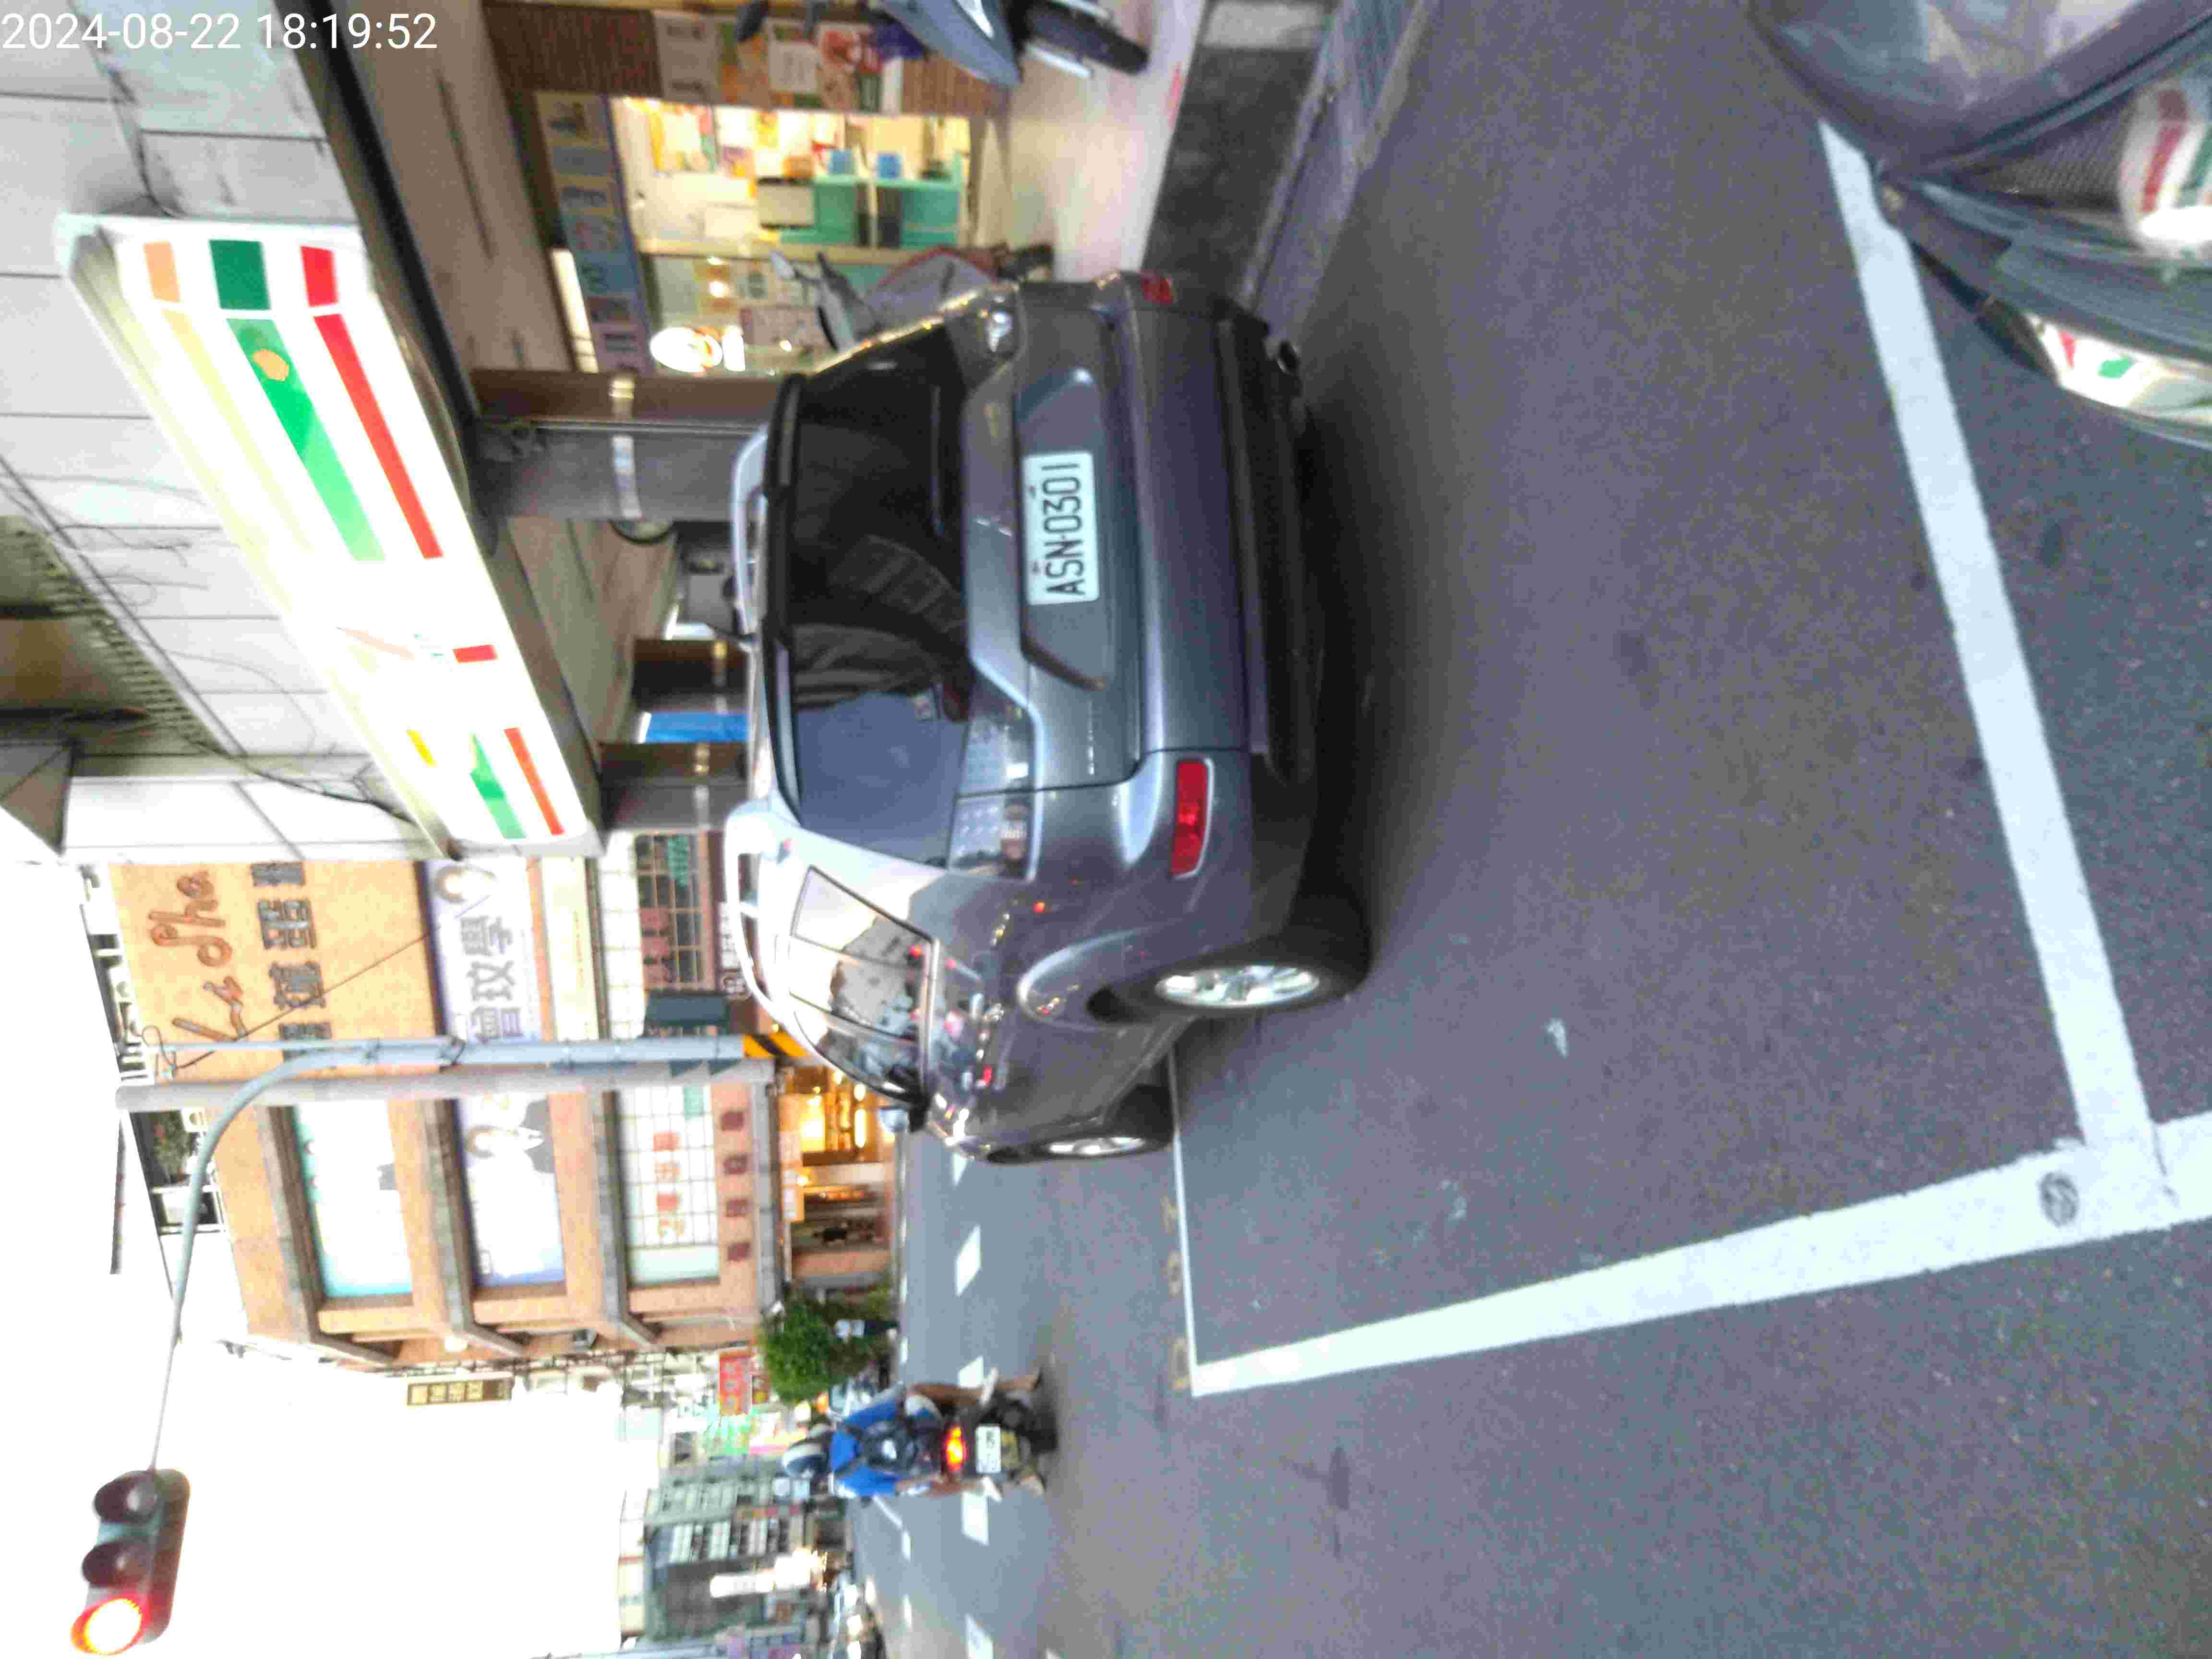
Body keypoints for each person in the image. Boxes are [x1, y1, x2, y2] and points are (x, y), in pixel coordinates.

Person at [829, 1371, 1046, 1498]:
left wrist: (931, 1477)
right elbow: (895, 1407)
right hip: (929, 1425)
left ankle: (999, 1482)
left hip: (930, 1464)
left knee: (927, 1490)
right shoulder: (846, 1429)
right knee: (917, 1390)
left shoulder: (851, 1483)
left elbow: (899, 1486)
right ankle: (985, 1393)